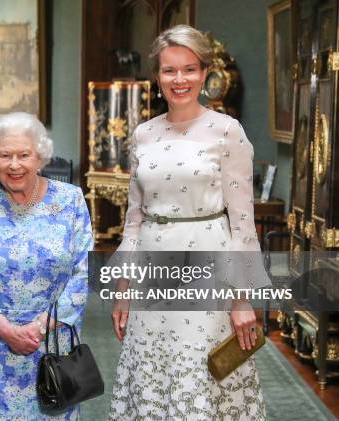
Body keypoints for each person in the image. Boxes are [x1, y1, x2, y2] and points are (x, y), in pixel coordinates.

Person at [108, 25, 268, 420]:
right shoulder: (143, 135)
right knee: (153, 377)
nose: (179, 80)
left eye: (189, 69)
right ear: (157, 76)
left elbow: (243, 223)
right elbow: (133, 220)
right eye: (169, 70)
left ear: (204, 73)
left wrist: (242, 299)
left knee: (202, 375)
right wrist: (123, 287)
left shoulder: (227, 132)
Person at [0, 112, 93, 420]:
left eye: (23, 155)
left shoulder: (70, 200)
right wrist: (5, 329)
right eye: (5, 155)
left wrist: (38, 329)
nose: (14, 165)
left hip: (54, 342)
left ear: (40, 157)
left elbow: (81, 274)